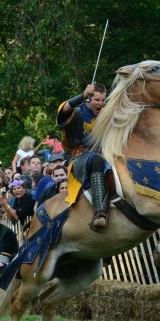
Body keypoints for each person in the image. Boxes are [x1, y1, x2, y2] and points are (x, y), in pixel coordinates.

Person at [57, 82, 111, 230]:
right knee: (97, 160)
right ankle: (99, 212)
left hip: (104, 156)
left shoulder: (106, 115)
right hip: (81, 158)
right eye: (97, 100)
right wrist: (82, 95)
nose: (100, 104)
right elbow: (63, 111)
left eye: (102, 100)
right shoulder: (78, 112)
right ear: (88, 100)